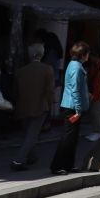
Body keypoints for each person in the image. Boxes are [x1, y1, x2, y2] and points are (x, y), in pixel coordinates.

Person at [11, 43, 57, 170]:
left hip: (22, 105)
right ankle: (18, 160)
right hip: (40, 106)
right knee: (32, 134)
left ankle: (32, 155)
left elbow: (15, 91)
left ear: (30, 55)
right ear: (42, 55)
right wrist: (49, 104)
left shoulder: (20, 71)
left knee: (27, 133)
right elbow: (50, 90)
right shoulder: (47, 69)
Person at [49, 42, 91, 175]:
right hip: (72, 107)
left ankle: (68, 164)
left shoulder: (75, 66)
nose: (88, 55)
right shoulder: (76, 68)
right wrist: (78, 110)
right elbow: (74, 90)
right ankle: (57, 165)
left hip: (73, 106)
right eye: (87, 53)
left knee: (72, 137)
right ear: (83, 54)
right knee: (68, 137)